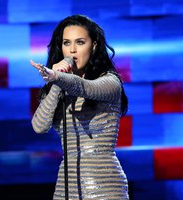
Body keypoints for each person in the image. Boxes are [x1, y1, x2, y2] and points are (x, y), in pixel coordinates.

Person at [30, 14, 129, 199]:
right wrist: (57, 83)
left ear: (94, 45)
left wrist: (59, 78)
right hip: (66, 185)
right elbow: (39, 126)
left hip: (104, 186)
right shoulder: (58, 86)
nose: (72, 51)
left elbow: (85, 87)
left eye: (80, 42)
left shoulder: (110, 81)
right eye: (67, 43)